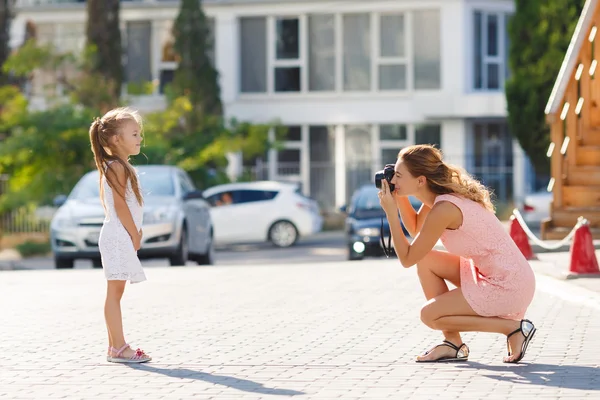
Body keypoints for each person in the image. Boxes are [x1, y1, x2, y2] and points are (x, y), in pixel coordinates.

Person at [377, 144, 536, 364]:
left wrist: (391, 214)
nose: (393, 180)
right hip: (504, 275)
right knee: (426, 260)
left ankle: (512, 328)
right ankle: (453, 344)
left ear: (420, 180)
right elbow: (416, 229)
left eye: (399, 176)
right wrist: (399, 196)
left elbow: (406, 258)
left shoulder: (444, 209)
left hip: (507, 284)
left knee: (429, 316)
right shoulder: (440, 198)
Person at [89, 107, 151, 363]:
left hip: (119, 235)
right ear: (116, 139)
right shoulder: (117, 167)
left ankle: (115, 346)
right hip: (118, 236)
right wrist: (134, 235)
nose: (139, 139)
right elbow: (121, 205)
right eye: (134, 134)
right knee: (114, 293)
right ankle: (119, 348)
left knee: (115, 293)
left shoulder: (118, 166)